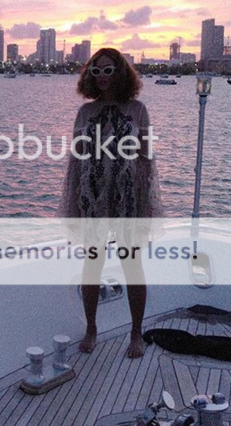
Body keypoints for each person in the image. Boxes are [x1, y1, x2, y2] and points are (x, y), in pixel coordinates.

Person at [58, 48, 163, 359]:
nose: (102, 76)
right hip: (93, 196)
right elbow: (76, 161)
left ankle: (136, 332)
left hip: (127, 196)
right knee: (93, 264)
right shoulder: (85, 112)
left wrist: (145, 204)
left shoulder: (138, 110)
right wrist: (75, 202)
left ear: (120, 73)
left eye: (108, 70)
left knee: (132, 264)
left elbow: (146, 160)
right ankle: (91, 328)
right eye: (96, 70)